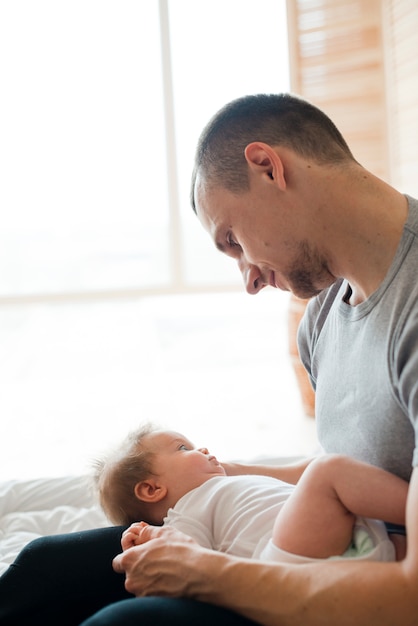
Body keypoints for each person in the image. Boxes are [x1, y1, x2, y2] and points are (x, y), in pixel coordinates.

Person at [1, 91, 418, 626]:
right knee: (49, 567)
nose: (248, 279)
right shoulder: (323, 317)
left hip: (374, 591)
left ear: (268, 168)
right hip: (326, 547)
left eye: (232, 240)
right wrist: (222, 477)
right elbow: (353, 461)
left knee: (123, 624)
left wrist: (206, 572)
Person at [94, 424, 406, 565]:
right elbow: (189, 559)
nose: (202, 449)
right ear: (152, 489)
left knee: (399, 543)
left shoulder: (221, 487)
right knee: (329, 471)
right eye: (183, 448)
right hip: (285, 561)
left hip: (337, 544)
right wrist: (155, 542)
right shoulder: (185, 513)